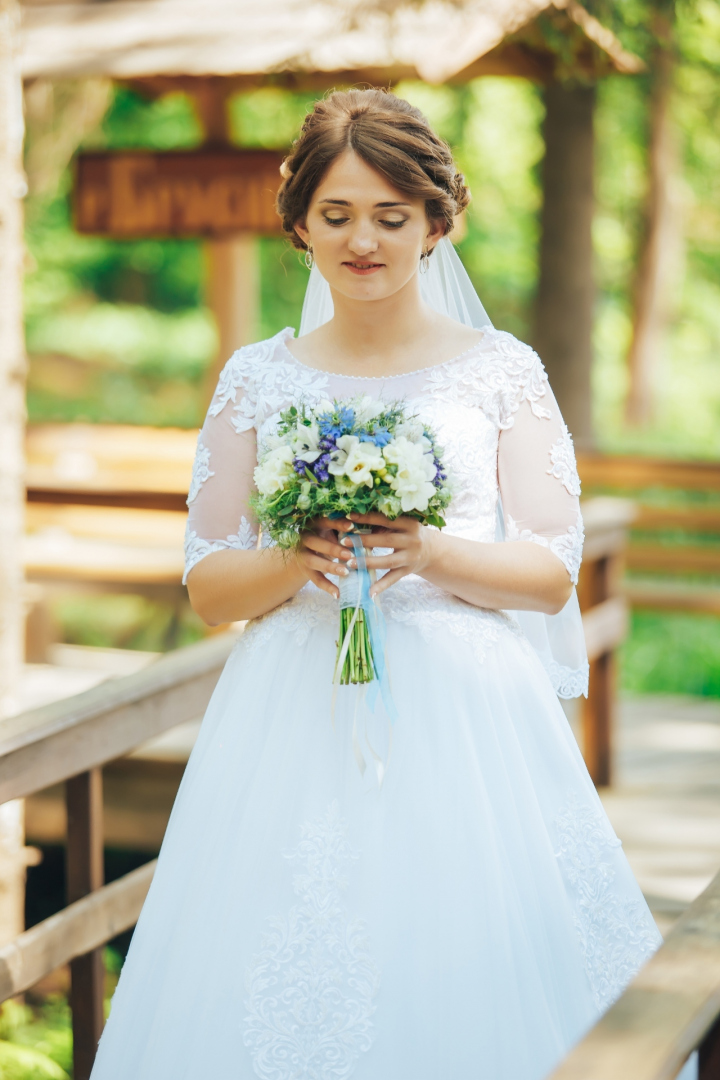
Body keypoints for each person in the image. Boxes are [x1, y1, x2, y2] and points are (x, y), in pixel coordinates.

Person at [89, 88, 667, 1080]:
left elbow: (549, 572)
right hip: (288, 716)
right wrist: (295, 557)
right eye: (338, 215)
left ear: (439, 224)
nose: (365, 240)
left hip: (469, 722)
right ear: (299, 227)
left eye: (392, 217)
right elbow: (210, 585)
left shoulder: (503, 372)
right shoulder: (256, 380)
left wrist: (429, 552)